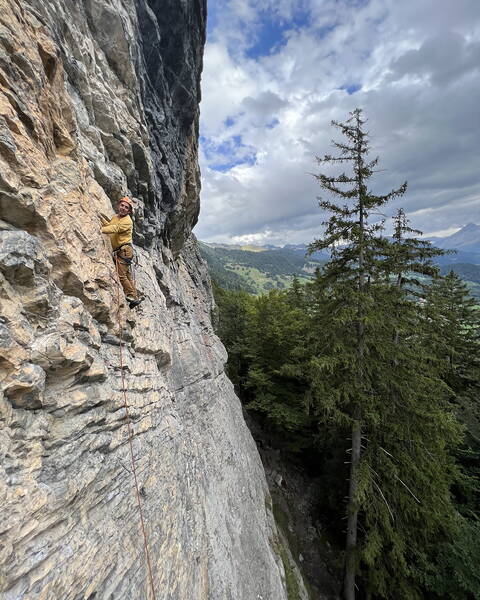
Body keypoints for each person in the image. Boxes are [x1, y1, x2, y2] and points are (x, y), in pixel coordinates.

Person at [99, 196, 143, 308]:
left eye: (126, 207)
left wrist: (100, 230)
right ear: (119, 205)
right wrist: (101, 220)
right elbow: (110, 225)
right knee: (127, 276)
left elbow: (115, 229)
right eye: (122, 205)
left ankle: (132, 297)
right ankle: (134, 297)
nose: (123, 208)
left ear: (129, 211)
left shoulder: (127, 221)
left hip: (124, 251)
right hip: (123, 251)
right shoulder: (115, 217)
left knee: (121, 275)